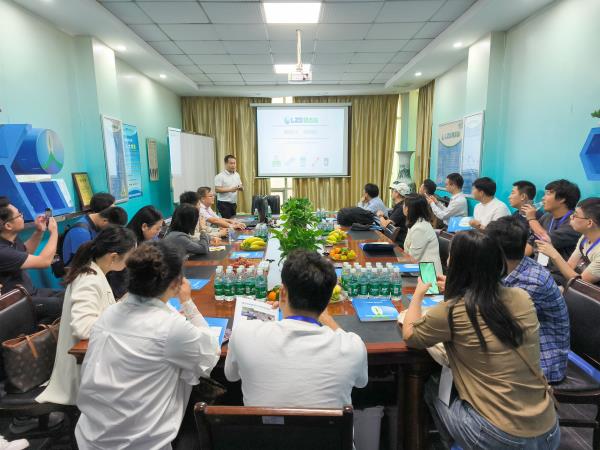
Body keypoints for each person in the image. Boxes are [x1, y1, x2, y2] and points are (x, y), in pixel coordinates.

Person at [402, 230, 559, 449]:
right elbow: (487, 306)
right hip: (549, 431)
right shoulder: (521, 297)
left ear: (455, 264)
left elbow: (410, 335)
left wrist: (418, 294)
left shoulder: (451, 310)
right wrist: (463, 287)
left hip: (499, 438)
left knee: (433, 387)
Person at [75, 241, 220, 449]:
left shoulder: (109, 314)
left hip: (91, 436)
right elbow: (210, 352)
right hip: (140, 442)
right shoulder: (171, 327)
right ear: (176, 283)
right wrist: (188, 303)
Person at [225, 250, 368, 408]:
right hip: (328, 425)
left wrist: (264, 316)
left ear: (282, 293)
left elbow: (231, 376)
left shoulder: (243, 334)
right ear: (328, 299)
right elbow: (361, 382)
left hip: (261, 425)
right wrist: (328, 320)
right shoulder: (352, 347)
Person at [36, 227, 137, 406]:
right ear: (113, 257)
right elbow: (84, 328)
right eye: (130, 256)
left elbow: (103, 309)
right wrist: (121, 311)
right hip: (82, 368)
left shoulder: (95, 271)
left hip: (94, 358)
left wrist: (127, 301)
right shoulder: (88, 280)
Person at [486, 216, 569, 383]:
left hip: (543, 362)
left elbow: (498, 321)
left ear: (496, 250)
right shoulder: (514, 266)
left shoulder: (530, 281)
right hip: (523, 346)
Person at [0, 196, 63, 319]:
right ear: (8, 225)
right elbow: (45, 262)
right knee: (64, 304)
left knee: (70, 295)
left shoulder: (11, 238)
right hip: (18, 303)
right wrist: (54, 232)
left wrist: (39, 231)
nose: (22, 216)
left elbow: (25, 253)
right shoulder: (2, 251)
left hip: (31, 292)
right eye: (19, 215)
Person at [524, 179, 581, 283]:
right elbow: (531, 243)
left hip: (557, 276)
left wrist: (531, 219)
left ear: (562, 199)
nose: (543, 198)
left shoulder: (574, 222)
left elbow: (546, 239)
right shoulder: (546, 217)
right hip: (538, 269)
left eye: (548, 193)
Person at [536, 197, 600, 285]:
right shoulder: (584, 237)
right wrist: (551, 251)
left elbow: (580, 283)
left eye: (575, 215)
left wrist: (554, 254)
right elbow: (568, 267)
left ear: (589, 223)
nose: (571, 217)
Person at [403, 194, 443, 274]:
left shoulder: (420, 228)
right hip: (419, 268)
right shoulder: (415, 223)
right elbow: (407, 249)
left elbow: (412, 258)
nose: (403, 207)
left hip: (428, 274)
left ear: (408, 209)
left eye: (404, 205)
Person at [377, 181, 409, 245]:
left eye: (393, 191)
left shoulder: (401, 207)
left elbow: (384, 225)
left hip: (398, 242)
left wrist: (380, 216)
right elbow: (393, 222)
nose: (391, 193)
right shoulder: (401, 205)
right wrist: (384, 217)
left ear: (397, 193)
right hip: (396, 239)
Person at [214, 154, 243, 219]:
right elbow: (217, 189)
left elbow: (240, 184)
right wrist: (231, 189)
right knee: (228, 222)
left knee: (233, 220)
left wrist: (241, 187)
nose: (233, 165)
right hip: (223, 203)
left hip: (233, 203)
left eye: (234, 163)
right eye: (231, 163)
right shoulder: (220, 176)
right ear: (226, 164)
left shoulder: (237, 174)